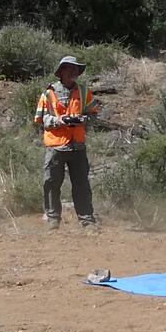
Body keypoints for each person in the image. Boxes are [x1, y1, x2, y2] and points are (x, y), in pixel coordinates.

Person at [34, 55, 100, 229]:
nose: (73, 72)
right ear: (61, 71)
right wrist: (59, 121)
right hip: (56, 146)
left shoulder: (85, 91)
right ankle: (53, 220)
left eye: (76, 69)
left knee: (82, 185)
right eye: (69, 68)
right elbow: (41, 119)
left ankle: (87, 221)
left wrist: (82, 119)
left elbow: (94, 116)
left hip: (78, 146)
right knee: (51, 184)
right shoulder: (49, 93)